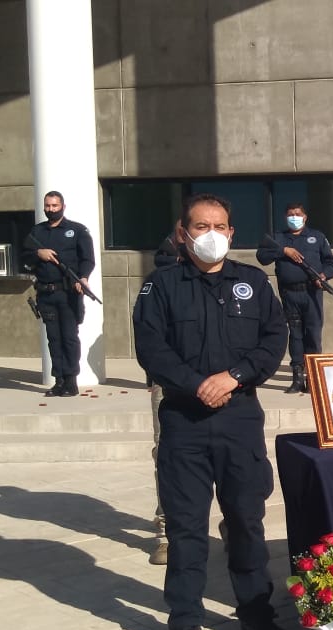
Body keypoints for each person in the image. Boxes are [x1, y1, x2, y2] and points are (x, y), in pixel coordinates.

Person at [133, 193, 288, 630]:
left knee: (245, 520)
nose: (211, 235)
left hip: (239, 418)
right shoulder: (160, 286)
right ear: (183, 234)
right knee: (186, 526)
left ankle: (256, 612)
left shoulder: (253, 282)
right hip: (185, 420)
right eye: (201, 227)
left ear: (232, 233)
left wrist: (234, 377)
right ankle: (184, 621)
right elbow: (151, 349)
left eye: (220, 226)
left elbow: (273, 339)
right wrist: (197, 384)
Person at [256, 203, 333, 394]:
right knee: (295, 335)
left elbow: (331, 263)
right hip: (290, 294)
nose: (294, 217)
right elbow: (262, 256)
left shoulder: (317, 237)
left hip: (312, 293)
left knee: (313, 335)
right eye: (291, 214)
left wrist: (324, 275)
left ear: (305, 217)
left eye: (298, 214)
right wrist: (283, 251)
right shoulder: (278, 238)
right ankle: (298, 378)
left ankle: (314, 379)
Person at [22, 191, 96, 397]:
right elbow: (24, 256)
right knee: (53, 339)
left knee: (69, 338)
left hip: (68, 293)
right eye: (48, 205)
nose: (51, 209)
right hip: (46, 293)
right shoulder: (37, 231)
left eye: (55, 206)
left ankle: (71, 382)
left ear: (63, 206)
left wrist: (83, 278)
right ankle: (59, 381)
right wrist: (39, 253)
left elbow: (87, 259)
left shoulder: (77, 230)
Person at [147, 222, 183, 566]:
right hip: (170, 384)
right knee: (167, 455)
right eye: (199, 226)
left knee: (232, 459)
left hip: (225, 385)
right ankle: (166, 531)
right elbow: (149, 338)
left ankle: (233, 523)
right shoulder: (158, 282)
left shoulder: (235, 279)